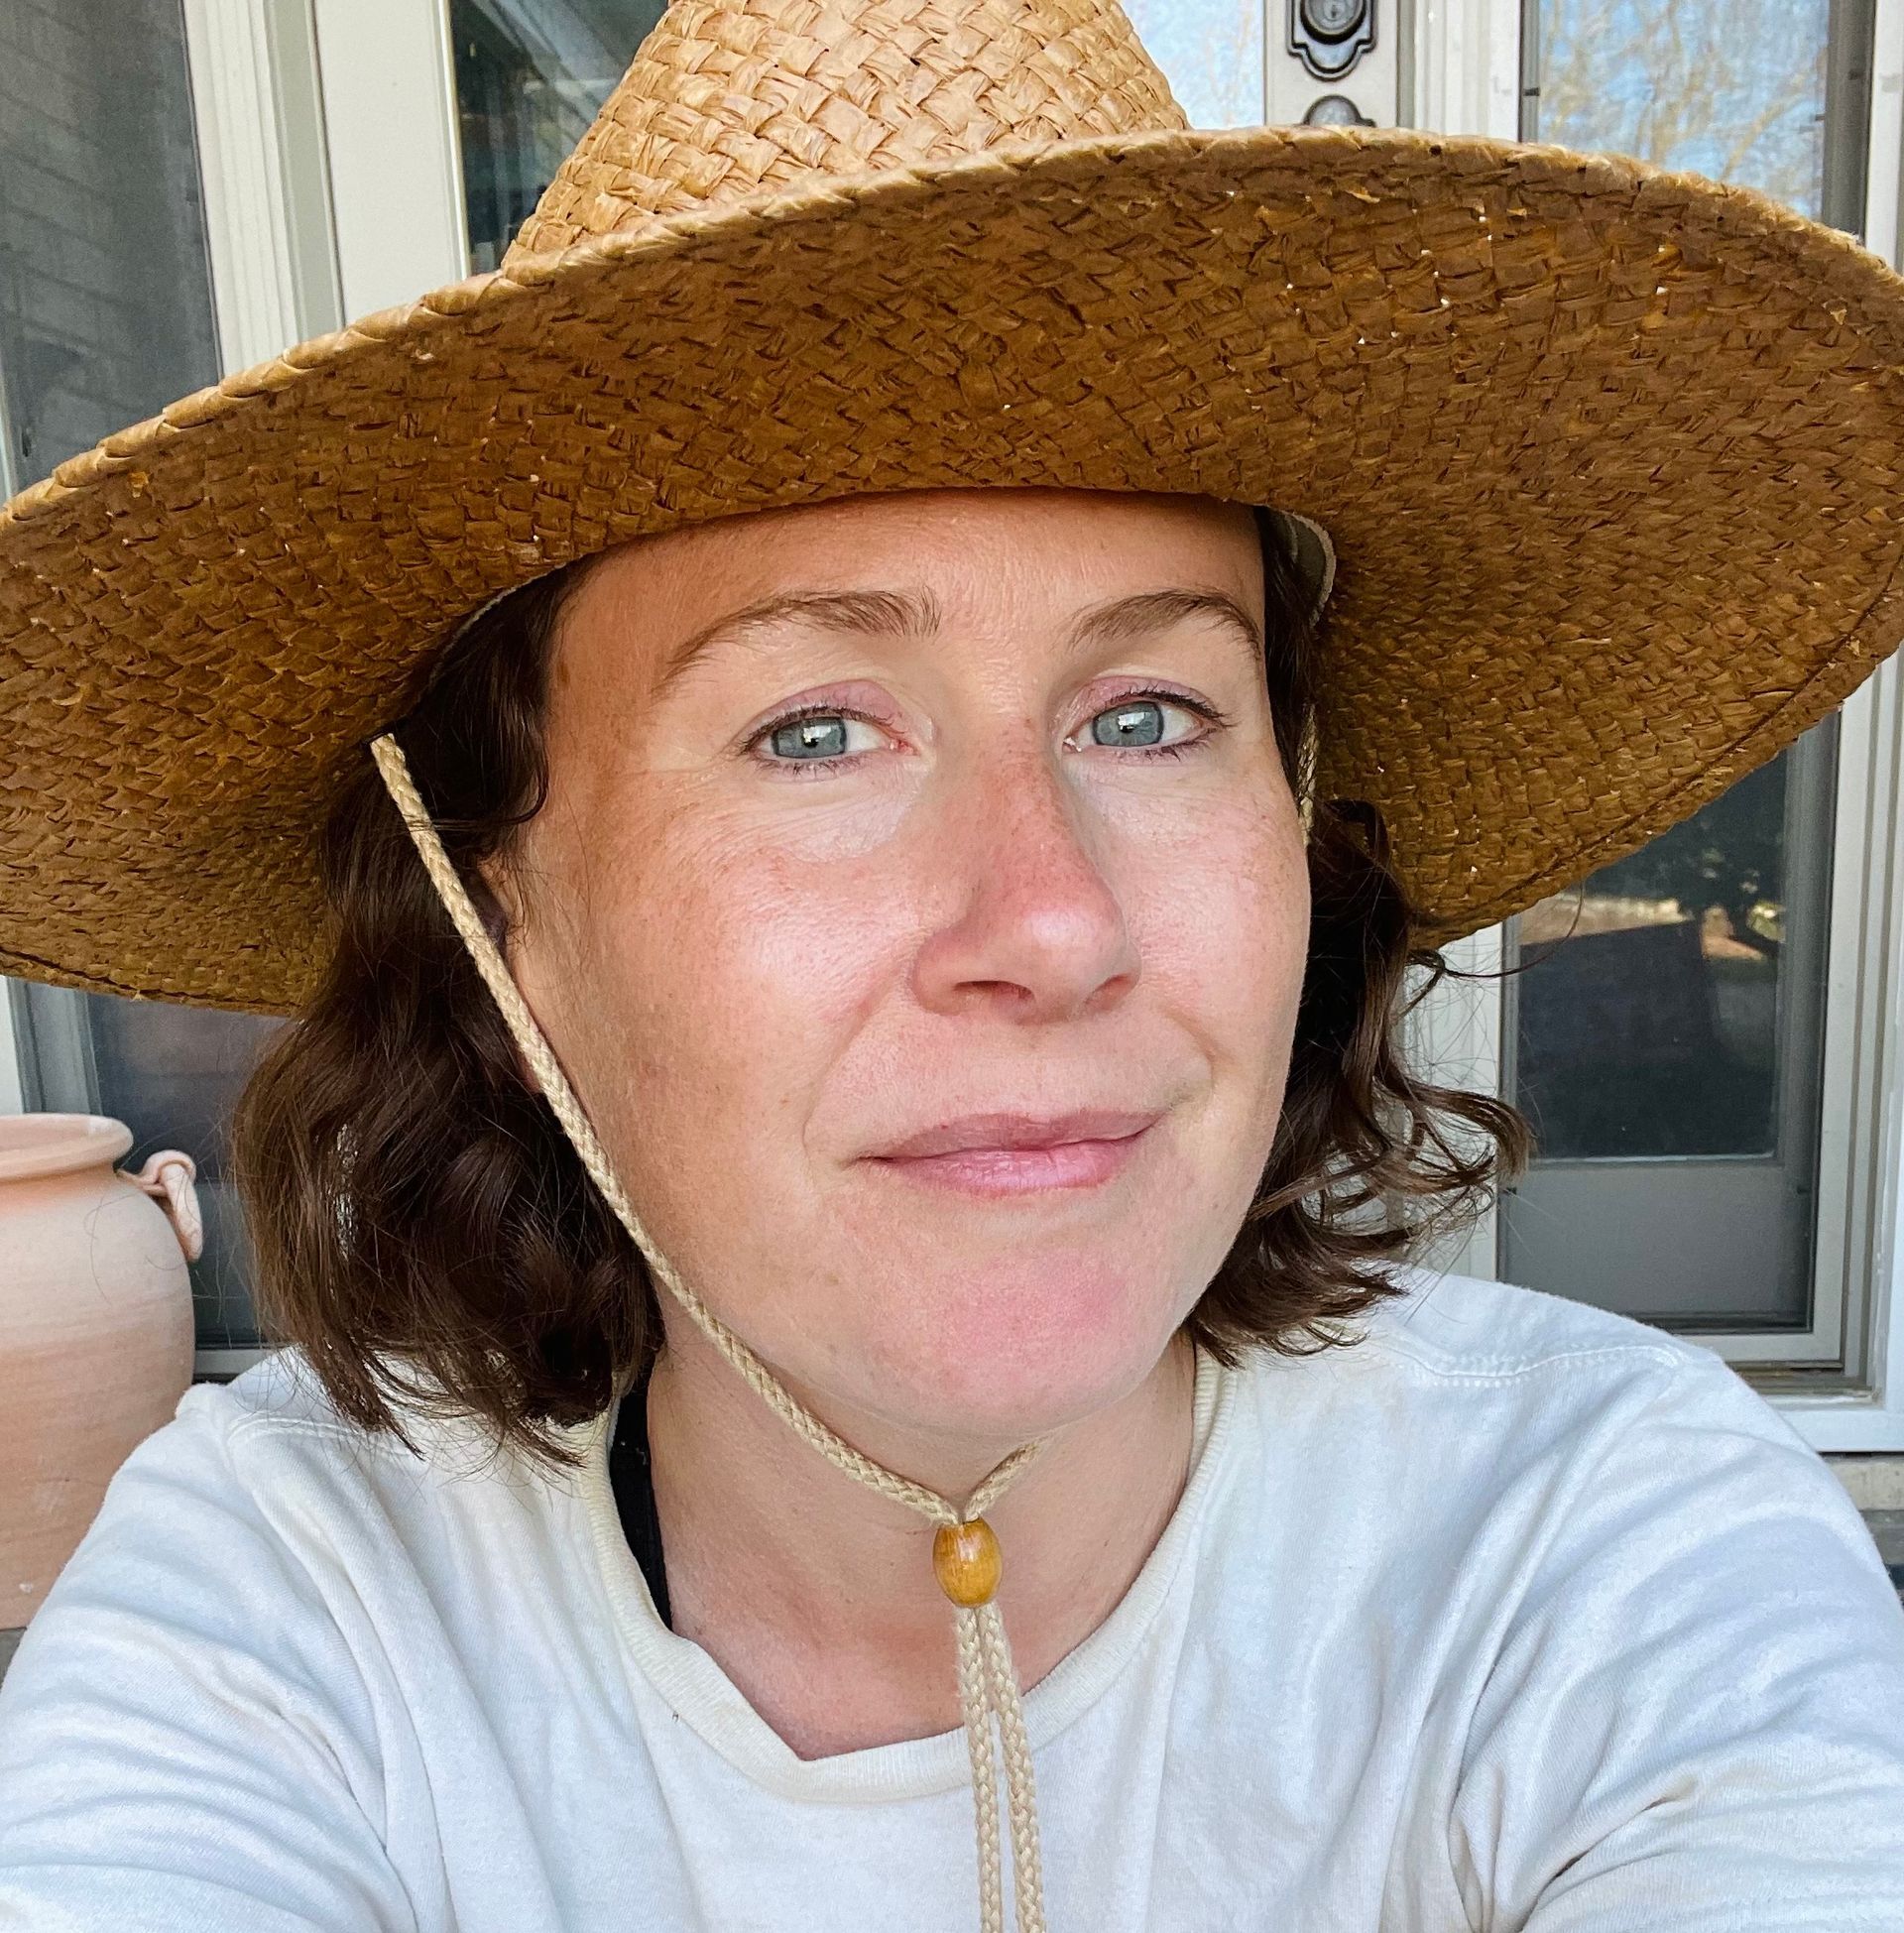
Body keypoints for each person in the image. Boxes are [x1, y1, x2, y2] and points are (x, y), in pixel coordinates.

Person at [3, 3, 1904, 1929]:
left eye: (1151, 715)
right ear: (506, 928)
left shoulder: (1608, 1556)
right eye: (816, 731)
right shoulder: (286, 1613)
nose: (1055, 926)